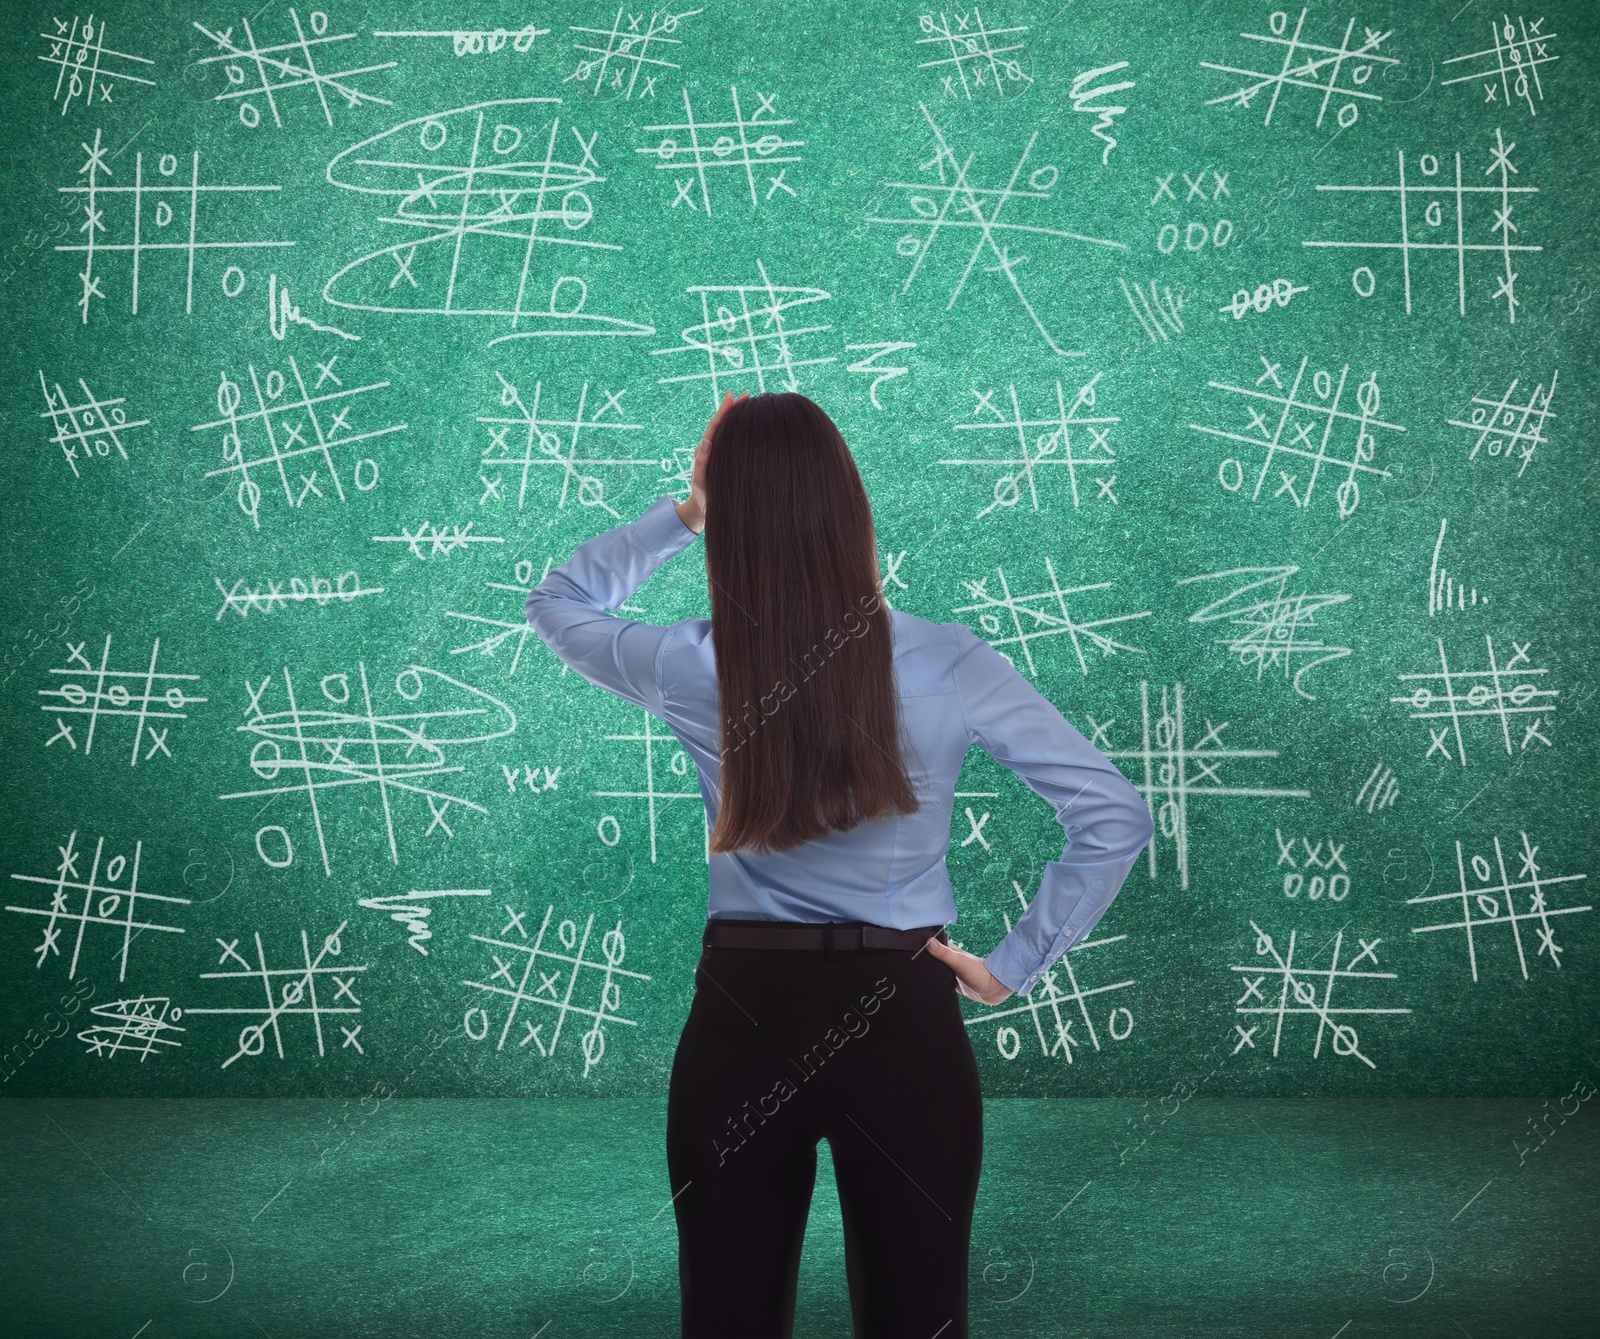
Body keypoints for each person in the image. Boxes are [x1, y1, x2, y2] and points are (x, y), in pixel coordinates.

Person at [524, 390, 1154, 1339]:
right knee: (919, 1319)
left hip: (741, 1017)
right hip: (903, 1013)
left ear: (734, 515)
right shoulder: (947, 659)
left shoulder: (691, 664)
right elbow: (1113, 812)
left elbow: (558, 603)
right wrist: (1012, 964)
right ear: (849, 504)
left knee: (729, 1320)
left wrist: (686, 511)